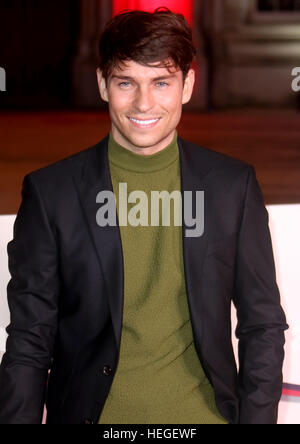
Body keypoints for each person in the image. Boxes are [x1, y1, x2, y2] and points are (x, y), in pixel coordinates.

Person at [0, 8, 288, 425]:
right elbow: (29, 340)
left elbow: (262, 325)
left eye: (161, 82)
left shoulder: (232, 188)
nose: (143, 103)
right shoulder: (52, 194)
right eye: (125, 83)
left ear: (187, 85)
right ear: (102, 84)